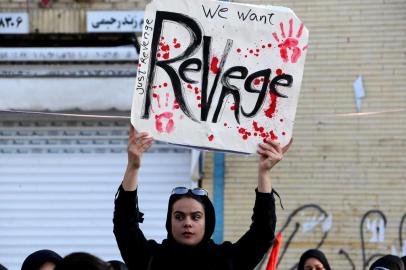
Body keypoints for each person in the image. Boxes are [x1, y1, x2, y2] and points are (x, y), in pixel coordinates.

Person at [113, 125, 292, 270]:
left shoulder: (228, 260)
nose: (187, 223)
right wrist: (133, 166)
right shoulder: (150, 259)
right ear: (169, 220)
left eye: (196, 216)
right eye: (179, 216)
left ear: (209, 221)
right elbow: (124, 226)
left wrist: (264, 172)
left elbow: (262, 232)